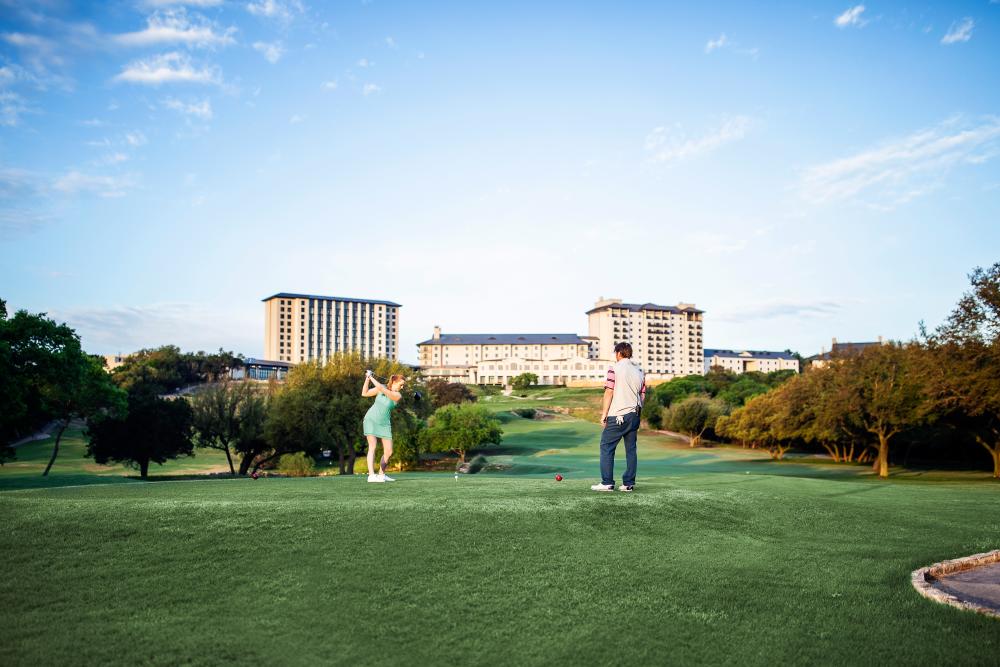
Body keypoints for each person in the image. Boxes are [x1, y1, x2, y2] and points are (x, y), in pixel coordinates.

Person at [592, 342, 646, 492]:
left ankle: (607, 483)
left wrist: (604, 414)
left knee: (606, 447)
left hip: (618, 416)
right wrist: (637, 415)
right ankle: (628, 484)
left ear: (618, 353)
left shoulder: (613, 369)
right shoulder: (640, 372)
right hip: (634, 414)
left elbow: (609, 392)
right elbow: (642, 396)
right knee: (631, 450)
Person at [362, 371, 405, 483]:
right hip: (371, 419)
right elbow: (365, 393)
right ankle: (371, 475)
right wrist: (367, 378)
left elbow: (383, 389)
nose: (402, 387)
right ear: (394, 382)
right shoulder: (382, 388)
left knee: (389, 451)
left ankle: (381, 474)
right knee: (372, 446)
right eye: (401, 384)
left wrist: (371, 377)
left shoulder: (397, 396)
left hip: (385, 423)